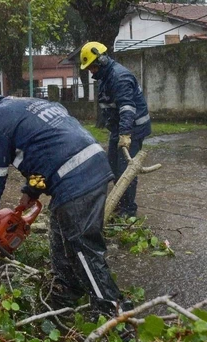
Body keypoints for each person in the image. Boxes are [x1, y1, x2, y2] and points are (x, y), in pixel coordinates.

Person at [0, 92, 133, 315]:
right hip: (93, 162)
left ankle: (113, 311)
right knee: (59, 231)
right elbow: (48, 150)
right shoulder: (30, 104)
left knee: (82, 247)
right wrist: (31, 192)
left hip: (75, 177)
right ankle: (67, 292)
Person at [80, 41, 151, 218]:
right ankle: (120, 205)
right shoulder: (105, 77)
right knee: (112, 167)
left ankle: (128, 211)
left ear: (102, 60)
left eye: (92, 67)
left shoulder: (120, 77)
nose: (91, 72)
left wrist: (126, 134)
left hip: (132, 130)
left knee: (125, 170)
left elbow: (127, 107)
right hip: (119, 129)